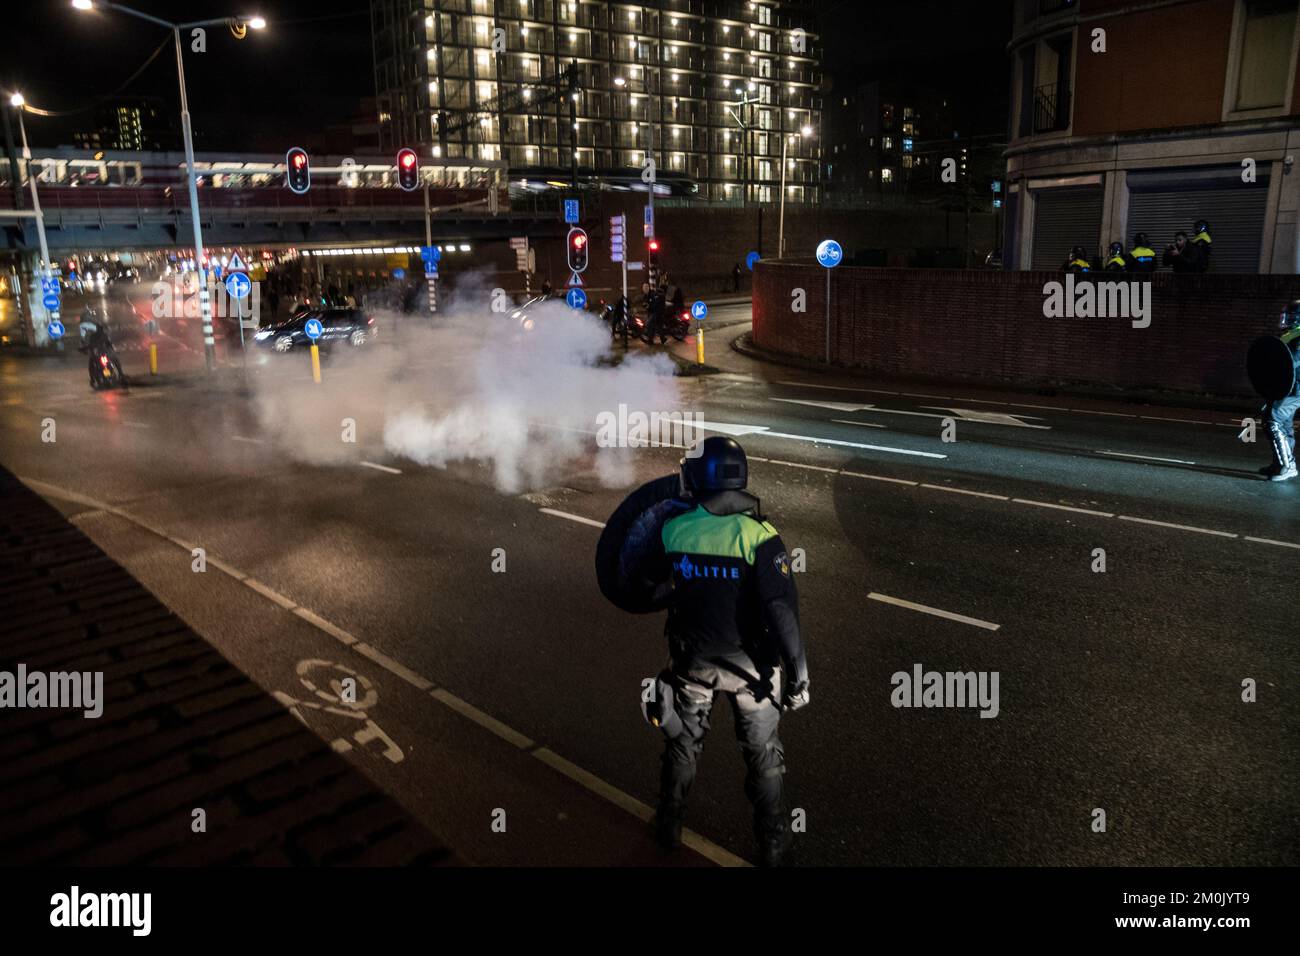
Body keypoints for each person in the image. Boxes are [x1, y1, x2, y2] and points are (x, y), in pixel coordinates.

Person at [642, 436, 810, 866]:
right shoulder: (760, 537)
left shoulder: (675, 530)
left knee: (682, 743)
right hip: (753, 672)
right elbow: (781, 611)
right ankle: (772, 843)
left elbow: (651, 585)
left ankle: (669, 824)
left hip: (694, 664)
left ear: (698, 477)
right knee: (763, 757)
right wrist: (798, 673)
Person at [1261, 299, 1300, 481]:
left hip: (1296, 390)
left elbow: (1289, 363)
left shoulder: (1298, 339)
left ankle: (1286, 465)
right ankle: (1281, 462)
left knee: (1273, 419)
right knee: (1284, 424)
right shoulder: (1292, 336)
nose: (1287, 319)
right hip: (1289, 389)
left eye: (1292, 316)